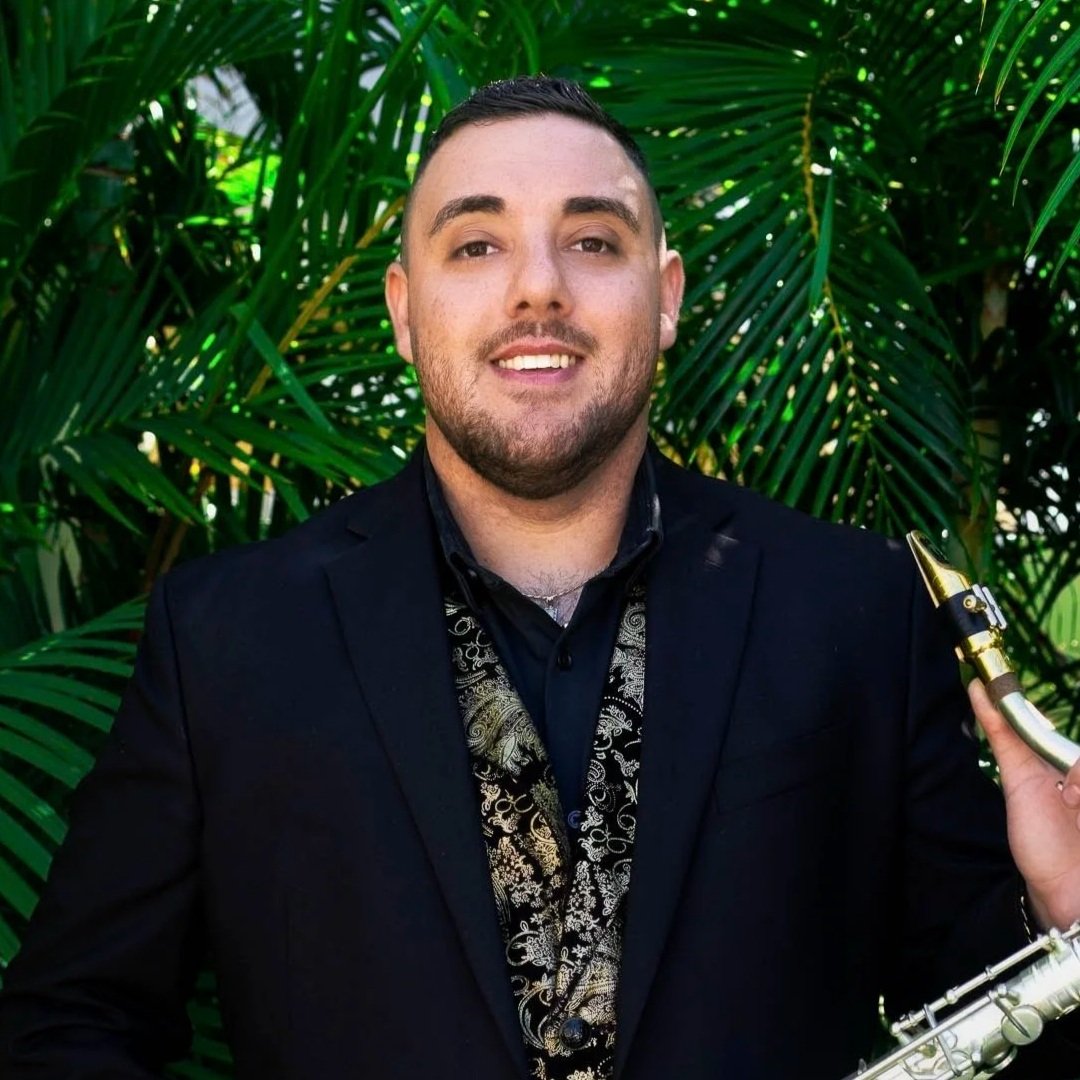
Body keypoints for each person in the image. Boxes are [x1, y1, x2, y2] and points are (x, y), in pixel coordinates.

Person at [1, 75, 1078, 1080]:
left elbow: (986, 1015)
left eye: (592, 241)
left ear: (664, 300)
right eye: (475, 245)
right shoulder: (225, 635)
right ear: (403, 309)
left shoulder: (858, 605)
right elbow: (70, 1019)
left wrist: (1064, 919)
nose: (537, 290)